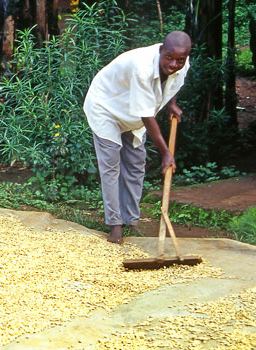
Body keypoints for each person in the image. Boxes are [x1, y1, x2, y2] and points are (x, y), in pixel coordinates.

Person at [83, 31, 191, 244]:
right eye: (169, 58)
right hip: (106, 107)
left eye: (180, 60)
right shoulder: (141, 67)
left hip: (132, 114)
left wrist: (171, 103)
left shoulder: (182, 64)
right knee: (111, 168)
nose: (174, 64)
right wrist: (166, 153)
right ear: (160, 50)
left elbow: (173, 82)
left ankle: (131, 221)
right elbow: (147, 116)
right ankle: (115, 226)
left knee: (135, 165)